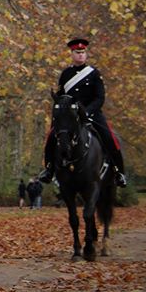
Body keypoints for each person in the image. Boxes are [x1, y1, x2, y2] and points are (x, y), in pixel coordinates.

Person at [38, 38, 127, 187]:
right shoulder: (65, 74)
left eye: (83, 52)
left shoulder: (94, 73)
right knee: (51, 138)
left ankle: (119, 172)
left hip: (92, 114)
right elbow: (61, 97)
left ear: (86, 54)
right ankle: (49, 170)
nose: (80, 55)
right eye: (77, 52)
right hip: (69, 116)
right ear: (72, 54)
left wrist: (87, 112)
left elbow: (100, 97)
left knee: (110, 138)